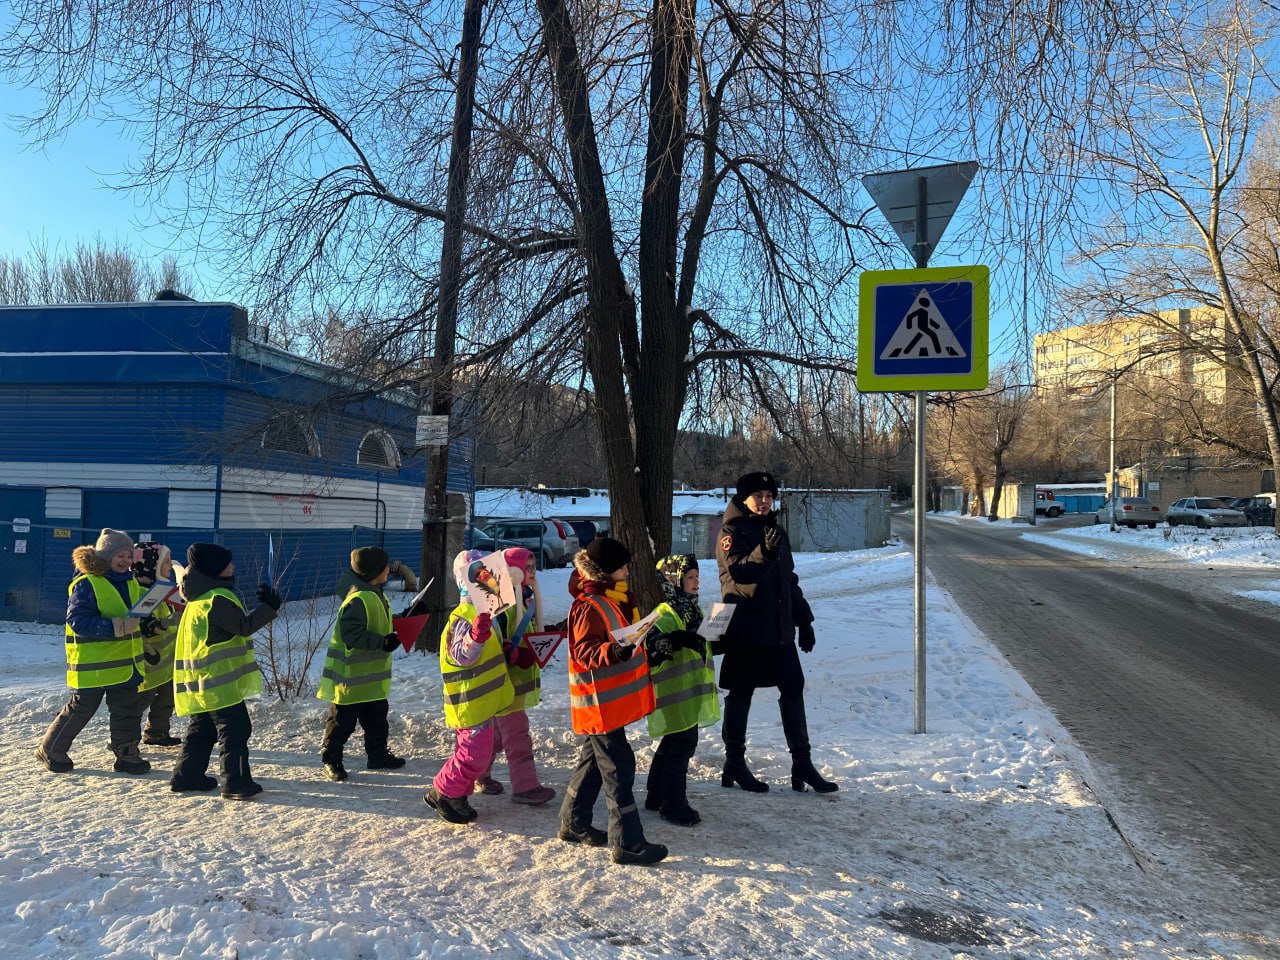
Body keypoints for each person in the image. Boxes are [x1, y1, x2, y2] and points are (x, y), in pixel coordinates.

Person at [716, 471, 838, 794]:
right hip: (746, 627)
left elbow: (788, 580)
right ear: (744, 498)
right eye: (758, 495)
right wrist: (764, 553)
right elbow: (739, 573)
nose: (765, 501)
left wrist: (804, 621)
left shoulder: (775, 531)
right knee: (741, 691)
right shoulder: (731, 531)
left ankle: (802, 763)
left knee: (793, 686)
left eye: (769, 496)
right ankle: (734, 761)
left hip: (778, 629)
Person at [557, 537, 670, 866]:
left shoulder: (611, 600)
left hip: (607, 704)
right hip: (598, 704)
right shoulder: (588, 605)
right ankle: (628, 843)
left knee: (594, 762)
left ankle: (573, 822)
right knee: (619, 767)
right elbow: (583, 651)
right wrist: (614, 651)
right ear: (605, 572)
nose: (627, 571)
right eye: (622, 567)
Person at [35, 528, 152, 775]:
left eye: (128, 556)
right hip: (94, 665)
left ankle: (127, 753)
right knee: (82, 708)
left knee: (127, 709)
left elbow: (134, 614)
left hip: (125, 664)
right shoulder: (87, 584)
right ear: (105, 557)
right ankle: (51, 748)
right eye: (119, 556)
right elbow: (77, 621)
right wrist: (114, 627)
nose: (125, 561)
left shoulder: (130, 582)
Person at [170, 542, 281, 799]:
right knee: (236, 729)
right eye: (227, 563)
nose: (232, 566)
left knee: (202, 730)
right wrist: (270, 607)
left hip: (201, 680)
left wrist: (264, 606)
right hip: (219, 681)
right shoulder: (216, 598)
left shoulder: (199, 597)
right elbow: (243, 626)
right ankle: (236, 782)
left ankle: (187, 776)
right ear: (215, 569)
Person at [426, 550, 516, 824]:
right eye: (483, 574)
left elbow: (486, 649)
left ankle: (458, 794)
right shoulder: (464, 615)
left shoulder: (486, 612)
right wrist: (476, 636)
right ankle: (443, 791)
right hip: (468, 703)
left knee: (474, 753)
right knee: (474, 755)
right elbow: (461, 655)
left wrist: (504, 648)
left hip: (482, 701)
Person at [474, 547, 556, 804]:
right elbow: (495, 640)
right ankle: (525, 787)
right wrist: (515, 654)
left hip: (514, 681)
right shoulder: (501, 603)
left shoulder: (525, 597)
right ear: (512, 571)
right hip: (504, 681)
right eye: (526, 567)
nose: (532, 572)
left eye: (533, 567)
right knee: (518, 736)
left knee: (496, 737)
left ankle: (478, 774)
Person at [317, 546, 407, 782]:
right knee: (341, 724)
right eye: (385, 567)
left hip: (371, 679)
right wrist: (382, 642)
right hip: (350, 679)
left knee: (377, 721)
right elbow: (351, 634)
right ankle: (331, 759)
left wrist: (404, 619)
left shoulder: (375, 594)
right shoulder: (358, 599)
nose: (388, 570)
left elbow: (379, 622)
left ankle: (377, 755)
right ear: (374, 572)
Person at [644, 554, 720, 825]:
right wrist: (674, 640)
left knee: (673, 742)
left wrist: (720, 639)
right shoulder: (665, 612)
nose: (695, 582)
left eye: (697, 576)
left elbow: (704, 645)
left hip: (690, 691)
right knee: (682, 745)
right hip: (673, 692)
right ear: (673, 580)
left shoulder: (693, 610)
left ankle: (656, 795)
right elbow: (653, 644)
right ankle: (673, 804)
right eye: (689, 577)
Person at [133, 541, 183, 747]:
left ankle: (157, 732)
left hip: (168, 660)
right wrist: (157, 624)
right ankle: (123, 737)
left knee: (166, 699)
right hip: (150, 661)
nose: (169, 566)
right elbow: (139, 624)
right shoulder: (141, 592)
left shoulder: (164, 590)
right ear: (151, 565)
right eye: (165, 561)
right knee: (140, 701)